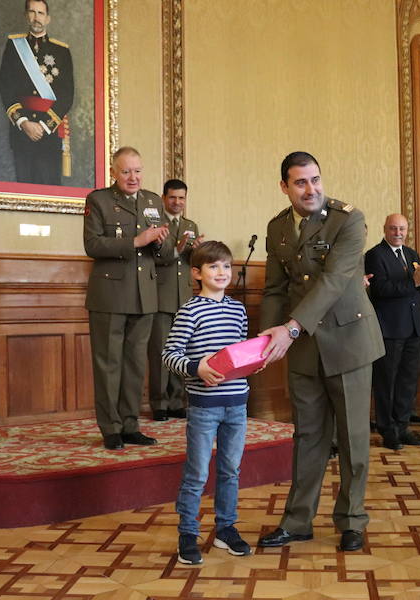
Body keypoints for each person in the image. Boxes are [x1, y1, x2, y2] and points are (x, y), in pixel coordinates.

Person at [257, 151, 384, 553]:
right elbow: (275, 289)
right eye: (300, 182)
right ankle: (298, 521)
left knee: (352, 437)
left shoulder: (349, 219)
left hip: (347, 341)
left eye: (315, 179)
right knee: (308, 436)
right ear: (284, 187)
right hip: (304, 348)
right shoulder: (278, 228)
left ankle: (351, 520)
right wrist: (266, 338)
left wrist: (289, 329)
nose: (311, 189)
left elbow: (332, 282)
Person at [162, 241, 251, 565]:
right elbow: (169, 354)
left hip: (237, 404)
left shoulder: (238, 310)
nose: (222, 272)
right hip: (204, 406)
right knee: (197, 472)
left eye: (226, 266)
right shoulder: (190, 310)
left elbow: (239, 353)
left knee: (230, 470)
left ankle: (226, 529)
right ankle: (188, 532)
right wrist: (196, 367)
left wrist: (255, 360)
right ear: (197, 273)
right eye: (214, 267)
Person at [84, 147, 168, 450]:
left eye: (137, 171)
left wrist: (163, 243)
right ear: (113, 172)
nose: (133, 177)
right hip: (110, 295)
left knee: (135, 365)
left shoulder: (152, 201)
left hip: (145, 295)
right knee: (109, 364)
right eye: (126, 171)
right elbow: (92, 245)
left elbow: (161, 253)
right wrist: (135, 241)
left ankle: (131, 425)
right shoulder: (99, 200)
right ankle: (111, 428)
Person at [364, 214, 420, 449]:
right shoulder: (375, 255)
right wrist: (413, 282)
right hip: (390, 328)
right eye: (393, 228)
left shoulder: (412, 253)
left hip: (413, 327)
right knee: (387, 382)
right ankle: (387, 429)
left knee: (408, 381)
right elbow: (381, 289)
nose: (398, 233)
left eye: (402, 229)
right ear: (385, 229)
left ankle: (403, 426)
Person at [0, 0, 74, 185]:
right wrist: (23, 122)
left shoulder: (61, 52)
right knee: (23, 187)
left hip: (50, 131)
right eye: (32, 12)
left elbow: (67, 94)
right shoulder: (14, 46)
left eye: (40, 13)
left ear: (48, 19)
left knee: (49, 189)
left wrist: (44, 126)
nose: (36, 17)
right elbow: (5, 86)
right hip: (21, 131)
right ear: (26, 15)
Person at [148, 179, 204, 421]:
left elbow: (193, 262)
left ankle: (176, 401)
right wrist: (179, 247)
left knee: (182, 351)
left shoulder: (190, 224)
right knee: (161, 352)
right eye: (173, 198)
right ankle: (159, 403)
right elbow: (156, 258)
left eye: (182, 198)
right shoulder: (155, 224)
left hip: (185, 298)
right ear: (164, 198)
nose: (178, 202)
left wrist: (198, 249)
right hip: (161, 296)